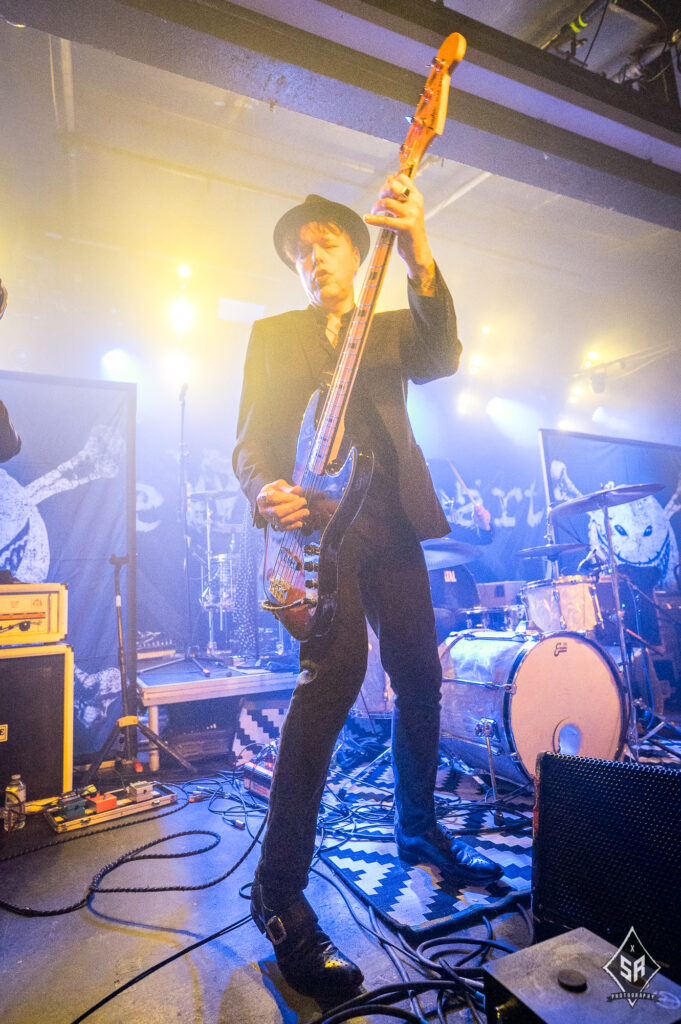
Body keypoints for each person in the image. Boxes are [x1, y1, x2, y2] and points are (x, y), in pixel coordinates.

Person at [232, 178, 502, 1001]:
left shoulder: (388, 327)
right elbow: (248, 442)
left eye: (324, 243)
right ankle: (278, 892)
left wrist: (419, 250)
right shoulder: (273, 336)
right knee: (332, 682)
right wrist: (264, 490)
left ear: (358, 253)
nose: (311, 258)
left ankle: (417, 830)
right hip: (322, 534)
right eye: (298, 251)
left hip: (392, 525)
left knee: (420, 676)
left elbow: (442, 355)